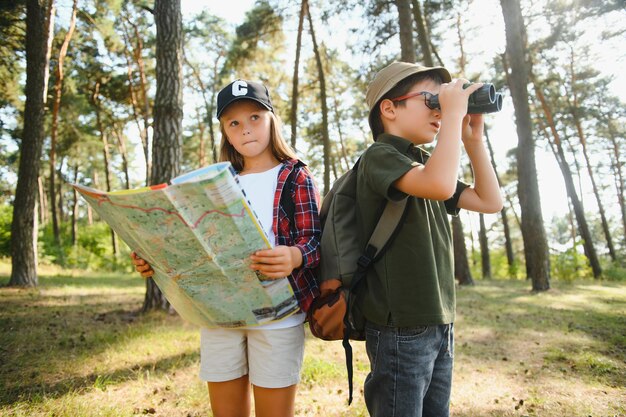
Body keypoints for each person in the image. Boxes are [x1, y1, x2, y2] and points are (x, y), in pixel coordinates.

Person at [132, 79, 321, 417]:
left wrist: (294, 256)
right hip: (220, 315)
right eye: (234, 123)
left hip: (278, 315)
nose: (246, 129)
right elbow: (187, 242)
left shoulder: (295, 176)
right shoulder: (209, 185)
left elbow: (315, 241)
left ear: (271, 120)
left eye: (254, 118)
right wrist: (154, 258)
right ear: (224, 131)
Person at [355, 61, 503, 417]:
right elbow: (438, 184)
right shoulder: (380, 156)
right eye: (431, 100)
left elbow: (490, 201)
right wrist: (453, 118)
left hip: (439, 319)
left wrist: (473, 141)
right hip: (400, 324)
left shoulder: (426, 161)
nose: (440, 109)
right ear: (389, 109)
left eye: (442, 102)